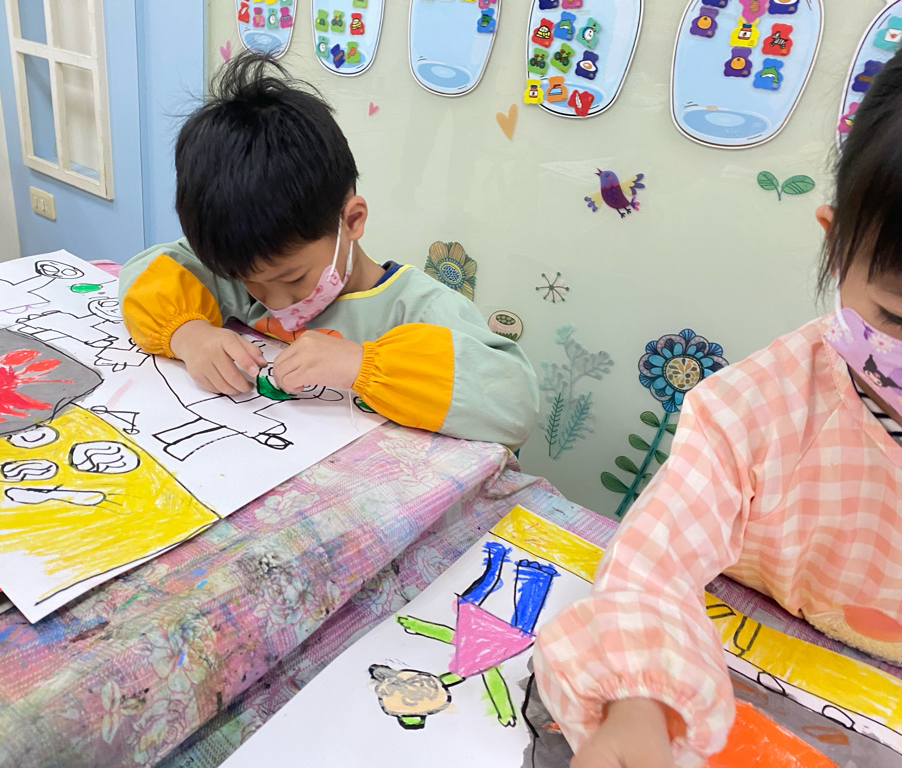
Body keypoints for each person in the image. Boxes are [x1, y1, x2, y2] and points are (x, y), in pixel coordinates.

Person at [533, 48, 902, 768]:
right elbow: (653, 562)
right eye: (897, 317)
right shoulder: (754, 411)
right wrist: (642, 702)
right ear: (836, 247)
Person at [119, 52, 537, 450]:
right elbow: (143, 272)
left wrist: (361, 364)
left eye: (293, 278)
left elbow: (514, 406)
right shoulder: (247, 264)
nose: (274, 302)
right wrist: (190, 336)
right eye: (249, 282)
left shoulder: (418, 310)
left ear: (351, 221)